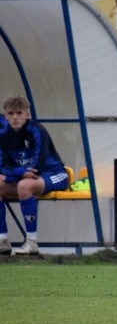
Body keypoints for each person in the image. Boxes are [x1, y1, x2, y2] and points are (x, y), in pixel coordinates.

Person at [0, 96, 69, 255]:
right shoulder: (3, 135)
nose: (15, 117)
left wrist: (18, 173)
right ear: (5, 116)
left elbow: (37, 167)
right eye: (11, 113)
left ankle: (31, 242)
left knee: (24, 186)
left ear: (27, 115)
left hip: (53, 174)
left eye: (19, 113)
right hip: (23, 176)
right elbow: (2, 165)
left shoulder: (37, 131)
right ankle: (3, 240)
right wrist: (19, 172)